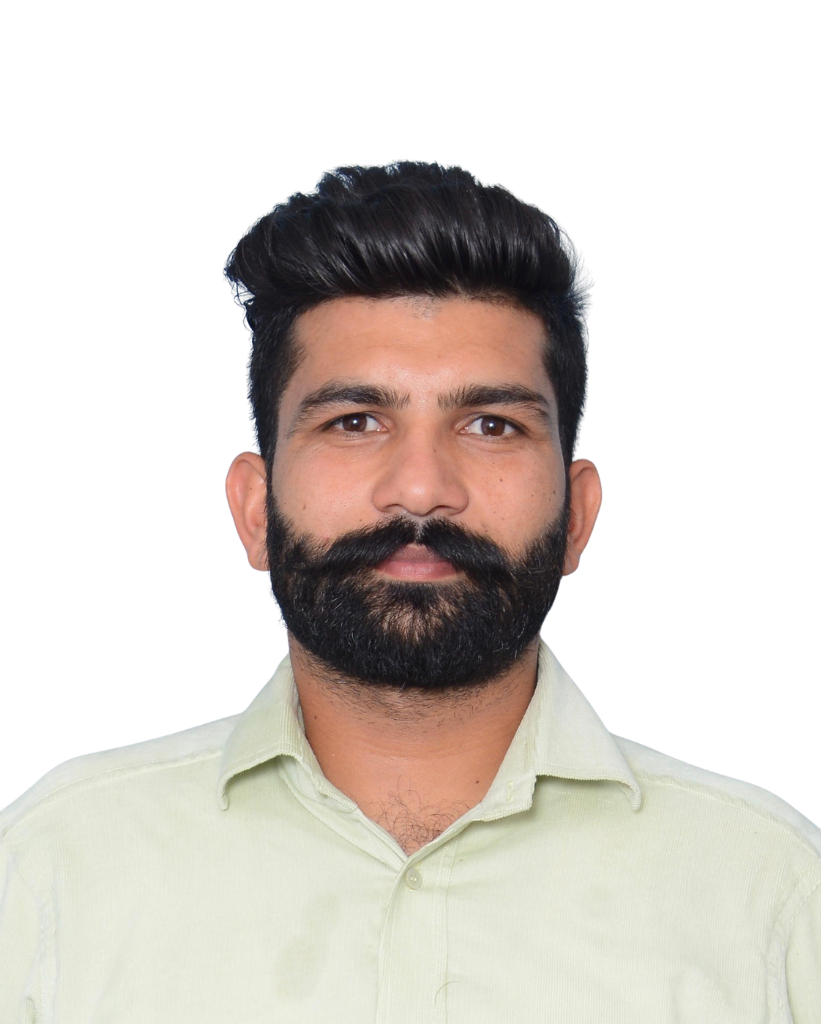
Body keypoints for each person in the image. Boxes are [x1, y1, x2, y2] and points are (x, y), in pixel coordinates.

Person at [2, 161, 818, 1021]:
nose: (421, 489)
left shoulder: (773, 888)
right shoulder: (52, 864)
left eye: (491, 425)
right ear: (252, 510)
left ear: (578, 517)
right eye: (354, 422)